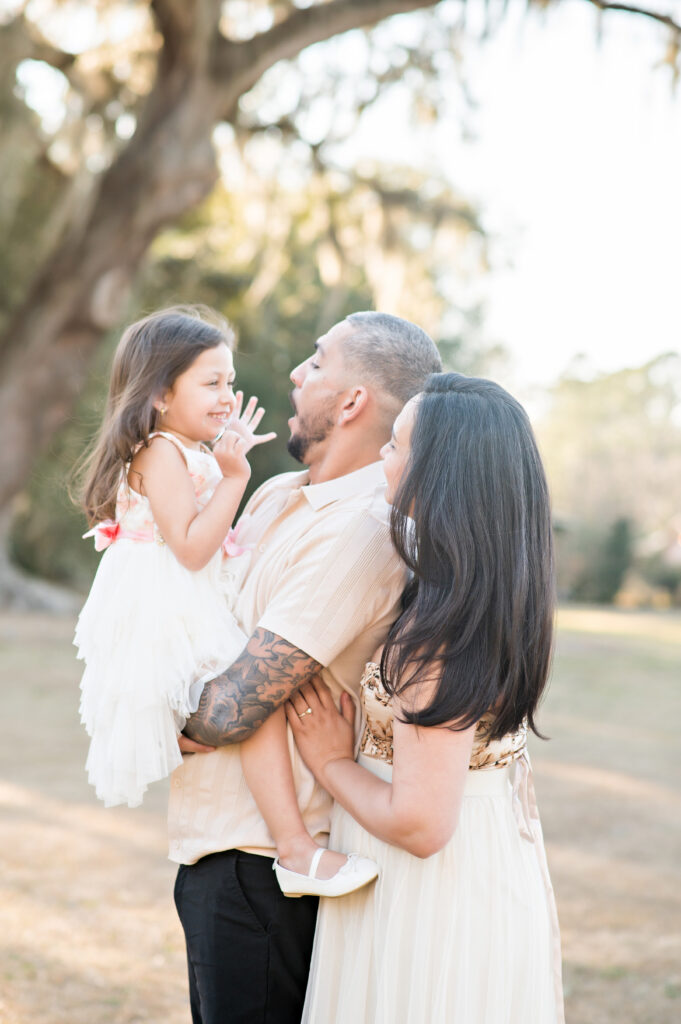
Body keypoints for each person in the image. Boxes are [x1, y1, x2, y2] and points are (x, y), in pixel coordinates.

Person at [170, 311, 443, 1024]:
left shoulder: (361, 531)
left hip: (266, 868)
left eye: (317, 363)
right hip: (212, 844)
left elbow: (231, 707)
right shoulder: (271, 493)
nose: (295, 373)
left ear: (353, 402)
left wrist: (135, 719)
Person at [287, 373, 565, 1024]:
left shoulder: (437, 637)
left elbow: (421, 824)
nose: (381, 457)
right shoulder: (485, 599)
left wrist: (331, 764)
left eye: (395, 446)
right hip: (484, 859)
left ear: (436, 476)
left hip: (429, 894)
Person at [74, 305, 375, 898]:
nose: (226, 397)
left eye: (229, 383)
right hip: (165, 608)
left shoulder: (188, 450)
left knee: (249, 707)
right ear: (160, 393)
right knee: (253, 708)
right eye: (210, 383)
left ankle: (290, 843)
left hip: (186, 600)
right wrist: (234, 478)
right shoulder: (160, 452)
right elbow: (189, 548)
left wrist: (223, 461)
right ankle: (294, 848)